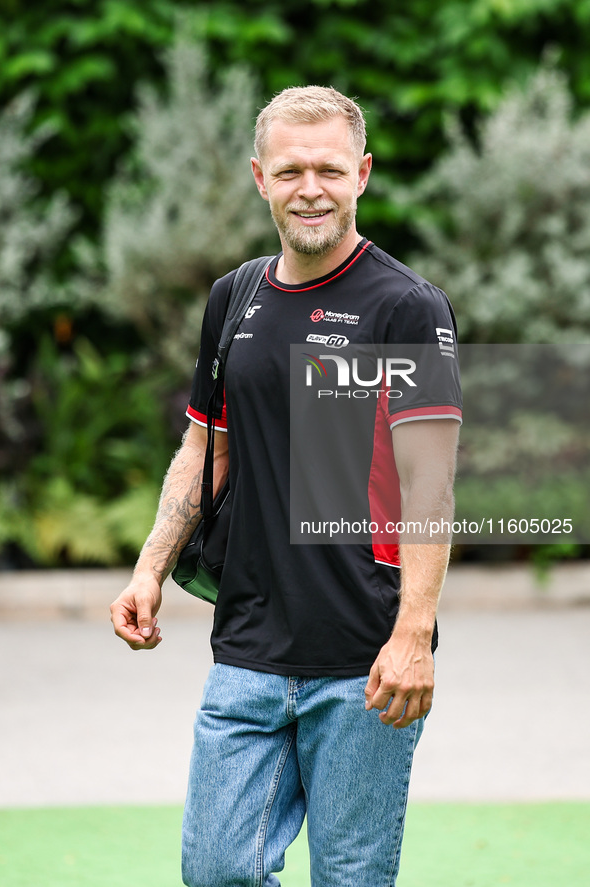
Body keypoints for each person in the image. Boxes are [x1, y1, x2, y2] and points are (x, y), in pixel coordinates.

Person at [111, 86, 462, 887]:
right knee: (215, 869)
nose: (311, 187)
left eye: (330, 170)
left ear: (362, 174)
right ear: (260, 178)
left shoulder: (405, 307)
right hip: (247, 648)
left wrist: (413, 635)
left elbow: (430, 487)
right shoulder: (234, 298)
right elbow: (207, 445)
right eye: (292, 169)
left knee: (349, 879)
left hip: (363, 658)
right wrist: (149, 567)